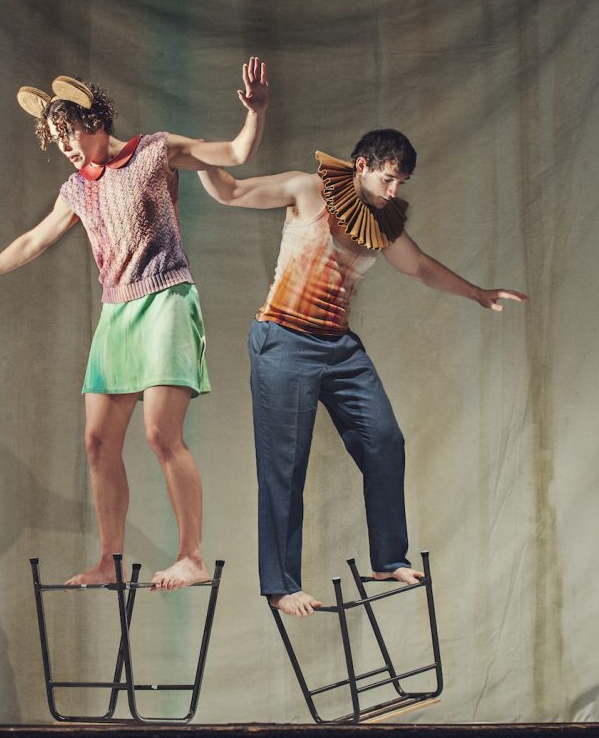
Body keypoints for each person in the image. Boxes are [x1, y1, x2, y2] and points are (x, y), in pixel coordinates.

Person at [0, 58, 270, 590]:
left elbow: (236, 153)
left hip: (166, 299)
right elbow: (33, 241)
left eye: (69, 132)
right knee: (97, 443)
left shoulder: (154, 150)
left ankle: (192, 556)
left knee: (160, 433)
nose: (64, 144)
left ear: (95, 120)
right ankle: (109, 562)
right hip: (116, 313)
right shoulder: (77, 188)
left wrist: (255, 112)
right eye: (55, 136)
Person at [198, 128, 528, 615]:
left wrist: (478, 293)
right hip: (284, 340)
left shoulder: (382, 222)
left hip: (338, 347)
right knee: (285, 465)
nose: (393, 192)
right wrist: (200, 154)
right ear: (361, 166)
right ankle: (282, 585)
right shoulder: (307, 190)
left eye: (401, 184)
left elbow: (419, 267)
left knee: (384, 440)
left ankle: (388, 557)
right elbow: (230, 191)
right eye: (388, 180)